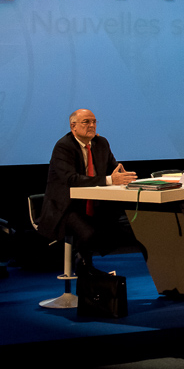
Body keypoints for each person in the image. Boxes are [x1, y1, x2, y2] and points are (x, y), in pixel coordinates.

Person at [36, 109, 141, 274]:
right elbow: (71, 179)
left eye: (94, 121)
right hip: (65, 207)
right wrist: (109, 180)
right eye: (86, 122)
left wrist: (123, 176)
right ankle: (83, 267)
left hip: (94, 204)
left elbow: (114, 169)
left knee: (123, 229)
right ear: (73, 126)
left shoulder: (101, 143)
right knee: (89, 233)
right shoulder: (63, 146)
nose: (92, 125)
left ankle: (87, 267)